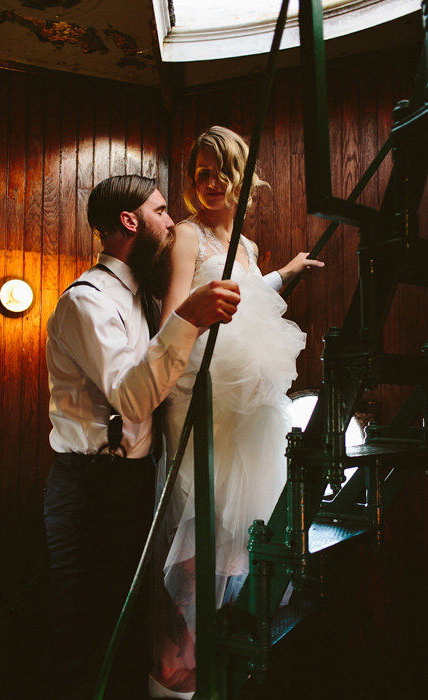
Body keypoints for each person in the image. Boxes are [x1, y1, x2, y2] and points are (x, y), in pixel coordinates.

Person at [43, 174, 242, 699]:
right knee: (87, 633)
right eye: (160, 211)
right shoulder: (88, 302)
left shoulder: (141, 299)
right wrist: (188, 319)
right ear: (129, 222)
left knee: (127, 629)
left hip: (131, 484)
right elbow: (131, 399)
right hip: (89, 492)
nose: (172, 221)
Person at [149, 126, 324, 699]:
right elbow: (175, 321)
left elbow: (242, 299)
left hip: (245, 411)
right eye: (199, 172)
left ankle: (216, 667)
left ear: (242, 176)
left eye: (220, 170)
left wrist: (285, 275)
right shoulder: (186, 238)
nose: (209, 182)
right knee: (203, 531)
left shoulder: (245, 246)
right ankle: (175, 678)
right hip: (202, 403)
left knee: (238, 535)